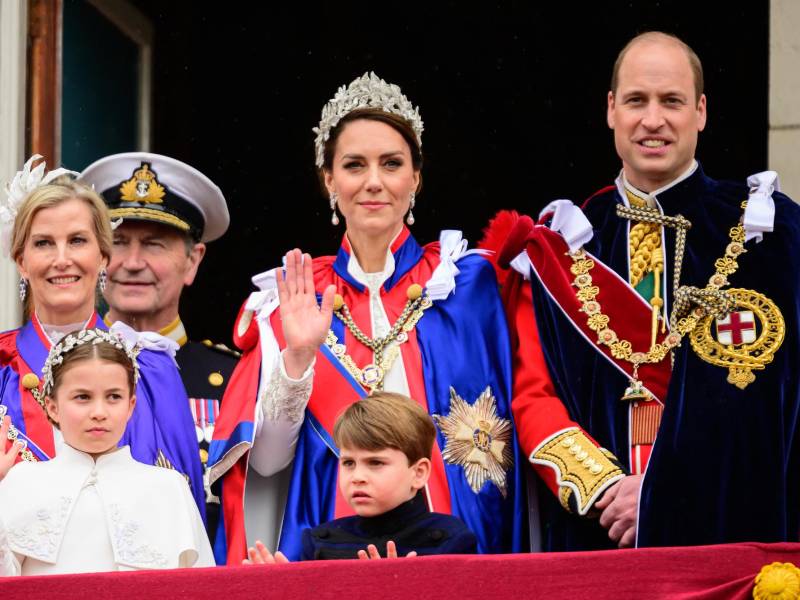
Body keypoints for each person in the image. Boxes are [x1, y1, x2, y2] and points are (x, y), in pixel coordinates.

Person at [491, 32, 800, 550]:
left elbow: (776, 406)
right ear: (611, 109)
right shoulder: (559, 247)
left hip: (729, 533)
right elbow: (532, 397)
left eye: (671, 101)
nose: (652, 120)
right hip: (601, 534)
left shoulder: (772, 234)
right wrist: (606, 489)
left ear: (701, 112)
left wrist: (664, 492)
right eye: (637, 100)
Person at [210, 72, 526, 563]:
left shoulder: (469, 287)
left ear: (415, 178)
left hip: (455, 552)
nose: (373, 182)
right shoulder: (293, 298)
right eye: (354, 165)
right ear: (329, 180)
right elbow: (265, 468)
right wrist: (298, 358)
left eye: (391, 164)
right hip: (332, 554)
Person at [0, 156, 206, 518]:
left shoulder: (151, 370)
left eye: (77, 241)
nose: (61, 259)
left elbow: (185, 520)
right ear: (21, 260)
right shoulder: (3, 368)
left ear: (103, 257)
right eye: (44, 243)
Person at [80, 152, 237, 546]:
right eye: (118, 243)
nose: (133, 263)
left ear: (192, 261)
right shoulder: (59, 367)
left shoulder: (235, 380)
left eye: (154, 245)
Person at [0, 327, 213, 574]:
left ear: (131, 405)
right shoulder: (21, 482)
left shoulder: (169, 487)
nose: (99, 412)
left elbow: (200, 584)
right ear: (52, 407)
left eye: (113, 397)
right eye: (82, 397)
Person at [243, 392, 477, 563]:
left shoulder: (450, 540)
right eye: (348, 463)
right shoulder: (319, 541)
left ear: (418, 473)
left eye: (375, 463)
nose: (357, 477)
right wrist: (285, 590)